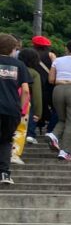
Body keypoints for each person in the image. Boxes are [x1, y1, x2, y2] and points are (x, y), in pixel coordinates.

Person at [0, 34, 31, 185]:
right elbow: (25, 90)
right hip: (11, 109)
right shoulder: (19, 65)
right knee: (6, 141)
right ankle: (4, 174)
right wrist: (20, 108)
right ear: (13, 49)